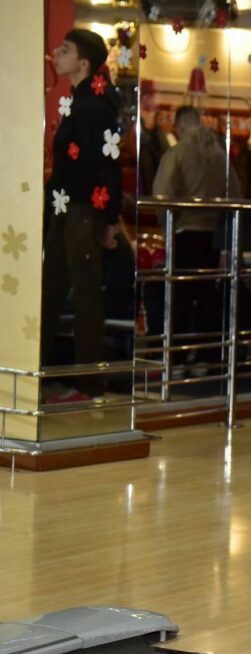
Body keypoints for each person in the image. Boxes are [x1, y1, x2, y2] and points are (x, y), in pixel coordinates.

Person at [41, 29, 123, 401]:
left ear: (84, 63)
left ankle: (89, 383)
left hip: (82, 210)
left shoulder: (93, 105)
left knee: (85, 294)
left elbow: (108, 164)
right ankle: (39, 376)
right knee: (52, 290)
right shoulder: (79, 101)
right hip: (66, 206)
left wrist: (107, 220)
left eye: (66, 50)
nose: (57, 53)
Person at [152, 106, 242, 373]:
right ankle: (207, 355)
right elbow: (235, 192)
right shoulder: (219, 154)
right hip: (214, 236)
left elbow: (162, 194)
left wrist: (165, 224)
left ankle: (176, 358)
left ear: (179, 127)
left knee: (179, 296)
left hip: (186, 231)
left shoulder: (177, 153)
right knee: (208, 297)